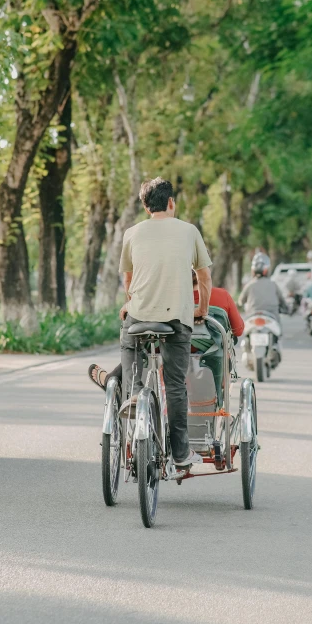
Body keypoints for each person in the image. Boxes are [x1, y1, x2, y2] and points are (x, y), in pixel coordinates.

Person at [118, 177, 212, 468]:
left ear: (146, 207)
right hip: (177, 318)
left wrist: (131, 302)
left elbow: (129, 279)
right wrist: (201, 310)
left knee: (129, 343)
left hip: (139, 316)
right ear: (171, 203)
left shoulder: (131, 233)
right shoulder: (189, 231)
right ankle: (181, 452)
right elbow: (204, 278)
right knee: (174, 384)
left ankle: (132, 392)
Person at [89, 271, 243, 393]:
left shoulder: (163, 296)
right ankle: (221, 389)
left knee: (140, 346)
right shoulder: (222, 296)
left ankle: (115, 379)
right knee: (225, 344)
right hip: (209, 355)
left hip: (164, 349)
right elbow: (239, 330)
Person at [192, 270, 244, 338]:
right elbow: (238, 331)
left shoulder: (175, 300)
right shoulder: (222, 295)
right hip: (217, 347)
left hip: (180, 348)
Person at [238, 251, 287, 319]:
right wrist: (286, 308)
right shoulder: (273, 284)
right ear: (266, 271)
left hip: (252, 316)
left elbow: (240, 301)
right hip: (272, 316)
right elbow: (282, 300)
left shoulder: (250, 285)